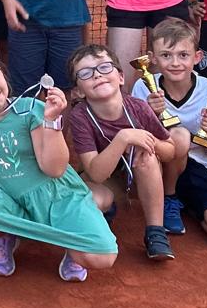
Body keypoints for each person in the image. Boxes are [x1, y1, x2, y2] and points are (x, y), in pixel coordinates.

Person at [0, 45, 117, 282]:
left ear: (2, 73)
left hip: (57, 196)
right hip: (7, 197)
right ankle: (4, 238)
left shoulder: (31, 109)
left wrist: (51, 121)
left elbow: (54, 169)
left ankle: (68, 244)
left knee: (103, 256)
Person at [129, 19, 207, 246]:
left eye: (183, 55)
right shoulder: (143, 87)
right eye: (166, 55)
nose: (175, 63)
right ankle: (169, 198)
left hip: (200, 167)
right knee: (179, 136)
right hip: (159, 167)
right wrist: (151, 115)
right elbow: (138, 143)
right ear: (152, 58)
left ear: (197, 57)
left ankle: (187, 202)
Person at [67, 44, 178, 262]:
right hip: (105, 181)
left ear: (120, 77)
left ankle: (156, 232)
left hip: (139, 180)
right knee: (95, 199)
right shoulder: (80, 116)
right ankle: (107, 211)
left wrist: (150, 141)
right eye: (85, 73)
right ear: (78, 91)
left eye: (104, 67)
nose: (97, 75)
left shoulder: (138, 107)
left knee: (147, 157)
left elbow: (170, 150)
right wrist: (124, 138)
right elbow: (96, 174)